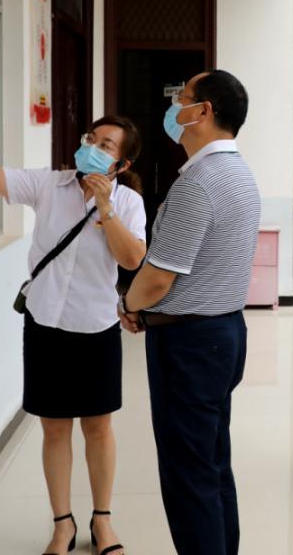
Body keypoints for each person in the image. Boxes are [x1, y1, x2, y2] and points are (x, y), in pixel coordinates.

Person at [0, 88, 147, 555]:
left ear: (121, 164)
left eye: (106, 145)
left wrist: (105, 209)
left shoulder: (127, 203)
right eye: (92, 138)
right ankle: (62, 524)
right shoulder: (49, 185)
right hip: (45, 325)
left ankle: (102, 521)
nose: (93, 147)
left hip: (96, 327)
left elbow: (131, 259)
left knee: (98, 428)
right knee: (54, 428)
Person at [120, 70, 260, 555]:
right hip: (223, 333)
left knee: (189, 477)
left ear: (203, 112)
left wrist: (128, 304)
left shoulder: (198, 183)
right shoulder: (239, 172)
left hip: (189, 344)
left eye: (181, 98)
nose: (173, 107)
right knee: (212, 465)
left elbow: (159, 277)